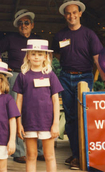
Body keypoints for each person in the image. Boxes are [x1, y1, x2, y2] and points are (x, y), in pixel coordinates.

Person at [52, 0, 105, 170]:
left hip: (84, 78)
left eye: (74, 12)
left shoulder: (89, 34)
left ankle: (83, 155)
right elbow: (55, 55)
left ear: (80, 13)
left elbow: (98, 60)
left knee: (83, 117)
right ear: (65, 15)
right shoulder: (60, 35)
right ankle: (75, 154)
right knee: (71, 118)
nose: (71, 16)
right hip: (64, 77)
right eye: (68, 13)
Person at [0, 9, 44, 163]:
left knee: (36, 111)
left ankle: (39, 150)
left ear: (32, 25)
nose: (24, 25)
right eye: (21, 23)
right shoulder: (10, 39)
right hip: (16, 76)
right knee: (15, 113)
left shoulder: (38, 40)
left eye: (26, 23)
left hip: (35, 76)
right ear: (18, 26)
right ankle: (19, 152)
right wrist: (4, 66)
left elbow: (47, 57)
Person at [13, 39, 63, 172]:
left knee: (49, 155)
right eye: (33, 54)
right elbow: (19, 101)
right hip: (29, 122)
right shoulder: (22, 76)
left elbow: (55, 100)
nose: (36, 57)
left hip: (47, 123)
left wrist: (55, 124)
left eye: (40, 54)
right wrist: (19, 123)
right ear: (28, 55)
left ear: (45, 56)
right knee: (31, 155)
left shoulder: (51, 75)